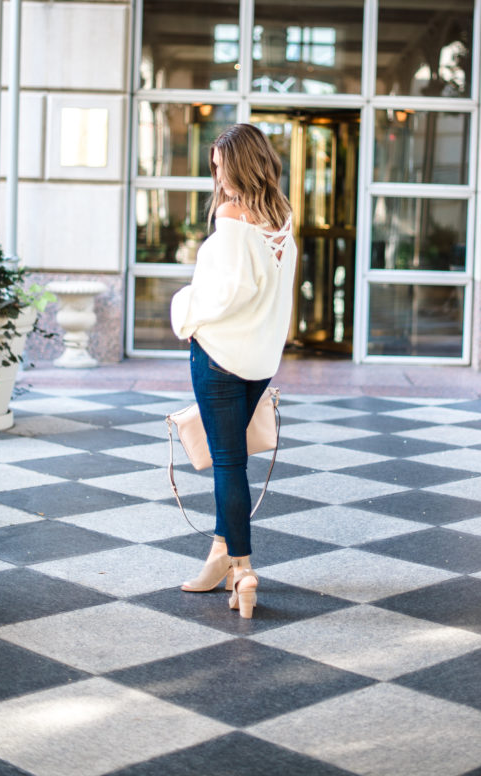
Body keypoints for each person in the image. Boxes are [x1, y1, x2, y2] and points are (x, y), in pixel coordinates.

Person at [170, 123, 297, 618]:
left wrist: (185, 310)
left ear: (241, 164)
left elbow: (227, 292)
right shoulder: (281, 217)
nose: (216, 175)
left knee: (228, 464)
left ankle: (242, 568)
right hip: (259, 360)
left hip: (221, 358)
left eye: (221, 165)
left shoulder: (231, 216)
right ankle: (219, 556)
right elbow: (269, 293)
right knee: (231, 459)